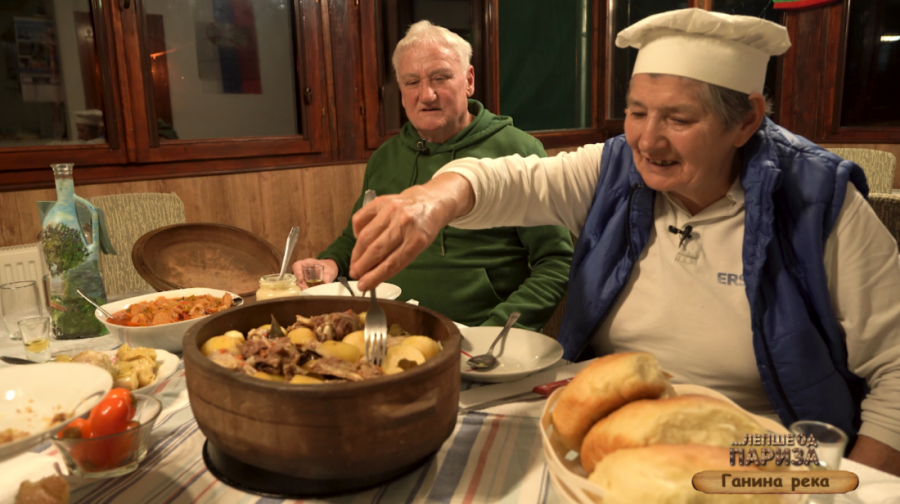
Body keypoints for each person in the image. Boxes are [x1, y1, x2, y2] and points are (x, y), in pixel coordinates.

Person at [345, 9, 900, 475]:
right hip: (615, 434)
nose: (647, 140)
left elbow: (896, 372)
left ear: (745, 121)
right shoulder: (615, 171)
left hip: (761, 448)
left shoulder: (819, 205)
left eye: (678, 119)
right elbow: (510, 180)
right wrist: (431, 200)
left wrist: (855, 489)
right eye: (636, 112)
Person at [292, 20, 572, 330]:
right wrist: (330, 262)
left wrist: (496, 332)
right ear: (401, 92)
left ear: (469, 80)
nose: (426, 95)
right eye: (412, 82)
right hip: (390, 327)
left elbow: (556, 262)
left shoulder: (518, 150)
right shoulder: (385, 158)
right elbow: (357, 239)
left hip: (477, 332)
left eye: (440, 78)